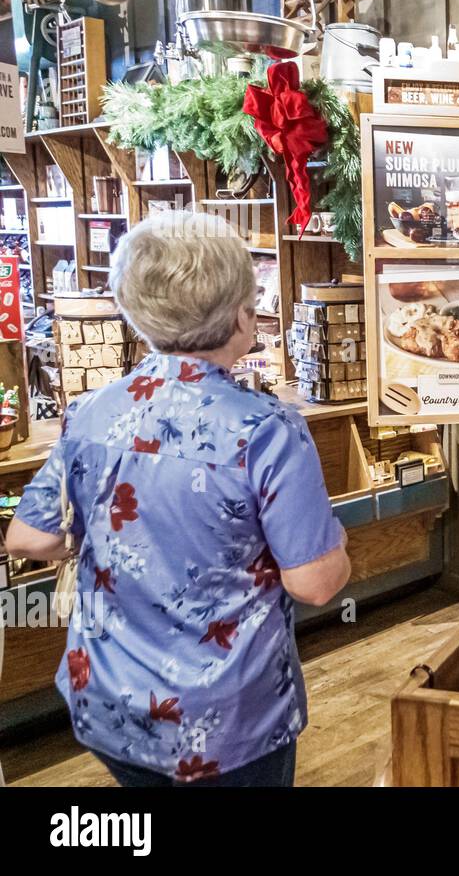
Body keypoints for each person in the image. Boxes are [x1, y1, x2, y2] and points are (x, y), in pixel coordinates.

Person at [4, 212, 351, 787]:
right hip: (223, 721)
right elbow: (314, 582)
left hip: (109, 699)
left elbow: (30, 535)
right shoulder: (266, 429)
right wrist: (336, 541)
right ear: (241, 314)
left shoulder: (92, 412)